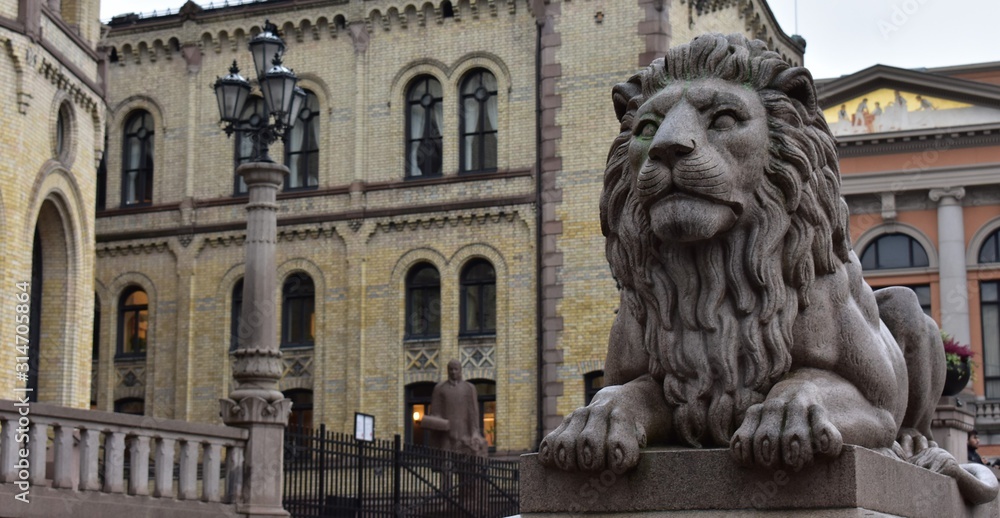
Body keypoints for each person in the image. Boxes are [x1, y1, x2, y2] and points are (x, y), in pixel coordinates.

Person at [428, 359, 487, 457]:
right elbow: (435, 412)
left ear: (460, 370)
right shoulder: (440, 388)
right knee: (446, 466)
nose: (453, 372)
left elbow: (473, 412)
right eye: (451, 369)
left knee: (465, 467)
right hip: (446, 436)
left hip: (464, 436)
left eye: (456, 369)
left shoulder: (469, 388)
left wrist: (474, 433)